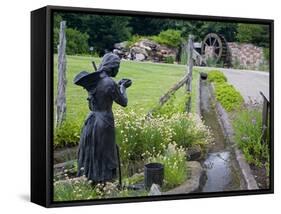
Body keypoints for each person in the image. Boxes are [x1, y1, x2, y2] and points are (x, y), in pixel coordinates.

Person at [74, 53, 132, 184]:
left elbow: (91, 104)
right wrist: (123, 87)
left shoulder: (92, 81)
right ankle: (104, 181)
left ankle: (92, 179)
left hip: (92, 119)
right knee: (105, 152)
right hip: (104, 122)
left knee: (94, 150)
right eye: (118, 66)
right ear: (113, 66)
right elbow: (123, 102)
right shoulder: (110, 83)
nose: (118, 70)